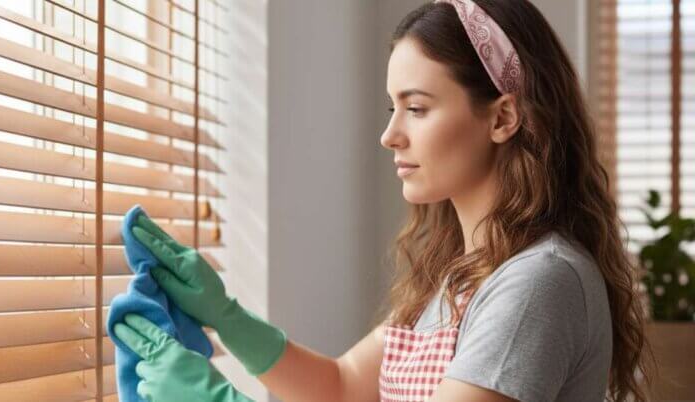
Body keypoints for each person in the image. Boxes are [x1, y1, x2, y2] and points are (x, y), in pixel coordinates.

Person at [111, 0, 656, 401]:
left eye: (416, 108)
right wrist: (226, 317)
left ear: (502, 117)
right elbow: (343, 386)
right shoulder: (462, 277)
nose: (389, 134)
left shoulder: (538, 283)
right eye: (392, 107)